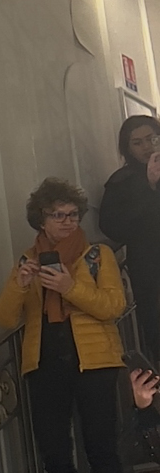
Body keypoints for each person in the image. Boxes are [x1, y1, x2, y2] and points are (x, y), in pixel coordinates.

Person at [0, 178, 129, 473]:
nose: (67, 222)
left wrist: (69, 287)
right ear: (41, 220)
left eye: (72, 215)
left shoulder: (97, 255)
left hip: (95, 362)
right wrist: (20, 284)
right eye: (58, 215)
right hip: (45, 364)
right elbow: (2, 317)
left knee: (100, 447)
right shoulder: (28, 260)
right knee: (54, 454)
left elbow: (113, 307)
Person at [98, 113, 160, 365]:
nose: (147, 147)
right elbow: (112, 227)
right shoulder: (121, 182)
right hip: (152, 273)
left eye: (152, 138)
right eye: (138, 142)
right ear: (127, 148)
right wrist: (149, 186)